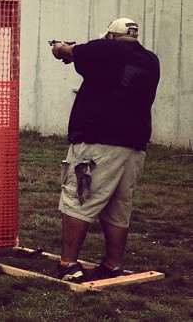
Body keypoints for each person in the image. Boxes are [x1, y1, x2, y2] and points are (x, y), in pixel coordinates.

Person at [50, 17, 160, 283]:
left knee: (78, 198)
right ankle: (112, 265)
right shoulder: (150, 60)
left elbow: (66, 52)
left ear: (110, 36)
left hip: (97, 141)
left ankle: (68, 264)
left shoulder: (103, 48)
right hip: (133, 145)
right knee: (118, 206)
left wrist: (62, 47)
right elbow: (104, 72)